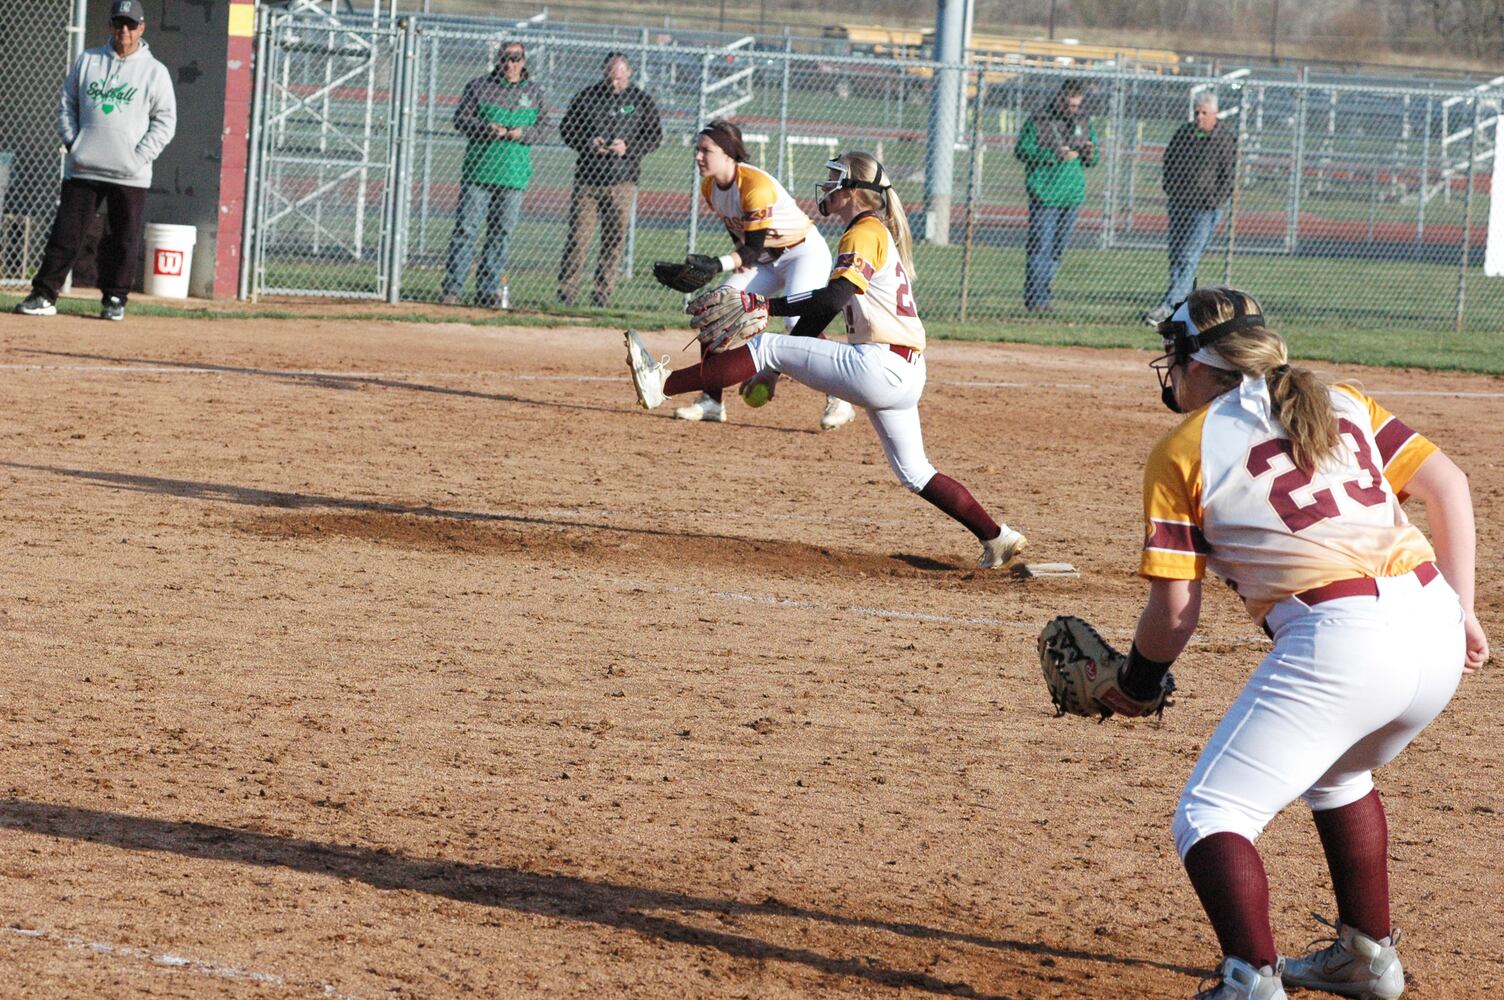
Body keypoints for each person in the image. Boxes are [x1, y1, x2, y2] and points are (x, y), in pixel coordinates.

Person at [1116, 288, 1487, 998]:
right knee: (1339, 774)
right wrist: (1463, 609)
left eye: (1175, 355)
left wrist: (1137, 682)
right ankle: (1367, 957)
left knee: (1212, 814)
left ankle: (1250, 980)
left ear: (1200, 364)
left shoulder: (1184, 448)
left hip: (1341, 639)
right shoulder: (1340, 399)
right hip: (1433, 623)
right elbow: (1450, 485)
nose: (1169, 369)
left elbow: (1175, 610)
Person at [625, 152, 1027, 569]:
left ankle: (661, 384)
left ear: (856, 191)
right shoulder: (872, 231)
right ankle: (996, 536)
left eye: (836, 180)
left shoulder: (864, 231)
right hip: (905, 371)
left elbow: (833, 299)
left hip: (879, 364)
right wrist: (778, 371)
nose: (828, 187)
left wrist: (764, 304)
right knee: (916, 473)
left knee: (764, 345)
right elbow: (824, 311)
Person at [666, 119, 854, 431]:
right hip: (764, 260)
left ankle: (839, 396)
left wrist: (717, 264)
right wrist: (732, 261)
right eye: (697, 150)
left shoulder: (755, 185)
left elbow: (752, 247)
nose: (698, 156)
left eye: (705, 150)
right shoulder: (710, 186)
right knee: (718, 310)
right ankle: (712, 402)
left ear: (728, 154)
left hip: (801, 252)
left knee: (796, 322)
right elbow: (741, 237)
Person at [15, 0, 176, 322]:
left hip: (130, 174)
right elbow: (66, 105)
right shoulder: (88, 60)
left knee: (122, 239)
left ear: (142, 28)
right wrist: (74, 143)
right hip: (84, 166)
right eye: (119, 24)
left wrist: (139, 157)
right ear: (111, 26)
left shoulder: (155, 71)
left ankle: (114, 299)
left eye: (131, 25)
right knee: (66, 234)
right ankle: (44, 295)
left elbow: (165, 121)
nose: (124, 31)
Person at [440, 40, 546, 309]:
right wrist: (486, 128)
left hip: (514, 175)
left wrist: (523, 133)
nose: (510, 64)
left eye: (516, 58)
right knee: (466, 230)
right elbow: (461, 119)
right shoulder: (479, 87)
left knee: (501, 233)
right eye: (505, 59)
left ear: (524, 61)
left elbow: (545, 126)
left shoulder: (533, 92)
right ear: (498, 61)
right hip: (479, 172)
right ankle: (453, 288)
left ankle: (487, 290)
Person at [557, 52, 663, 308]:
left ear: (629, 73)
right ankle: (567, 293)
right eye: (610, 77)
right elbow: (566, 129)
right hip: (588, 181)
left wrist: (629, 148)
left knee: (614, 240)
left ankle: (601, 294)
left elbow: (655, 137)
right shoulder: (587, 97)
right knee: (578, 239)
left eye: (618, 77)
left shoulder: (640, 101)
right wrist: (588, 143)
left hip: (622, 181)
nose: (614, 83)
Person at [1144, 92, 1237, 326]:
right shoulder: (1184, 134)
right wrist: (1171, 188)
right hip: (1180, 204)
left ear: (1215, 114)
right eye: (1196, 112)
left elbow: (1228, 176)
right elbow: (1169, 161)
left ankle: (1169, 307)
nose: (1199, 117)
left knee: (1188, 257)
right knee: (1176, 256)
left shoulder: (1223, 139)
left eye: (1204, 113)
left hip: (1204, 209)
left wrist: (1213, 200)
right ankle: (1180, 307)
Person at [1014, 78, 1097, 313]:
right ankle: (1036, 299)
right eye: (1069, 105)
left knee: (1057, 248)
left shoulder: (1083, 120)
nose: (1073, 110)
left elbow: (1094, 158)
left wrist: (1090, 153)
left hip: (1071, 195)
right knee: (1041, 246)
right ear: (1060, 98)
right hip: (1046, 194)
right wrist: (1052, 154)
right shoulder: (1039, 119)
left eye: (1077, 105)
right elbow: (1021, 150)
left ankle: (1042, 291)